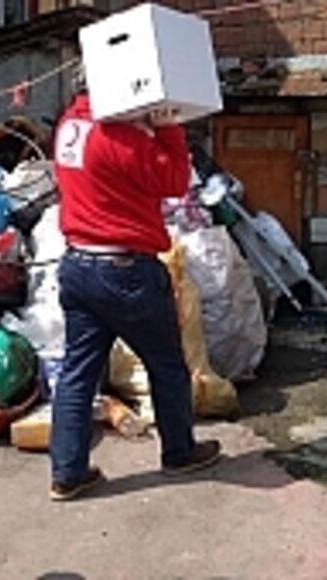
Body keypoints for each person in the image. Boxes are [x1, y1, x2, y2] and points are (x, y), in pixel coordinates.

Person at [48, 74, 222, 501]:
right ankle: (179, 452)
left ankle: (67, 473)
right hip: (124, 269)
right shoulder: (118, 135)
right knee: (166, 364)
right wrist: (167, 126)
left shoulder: (70, 125)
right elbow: (175, 180)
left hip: (77, 265)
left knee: (77, 372)